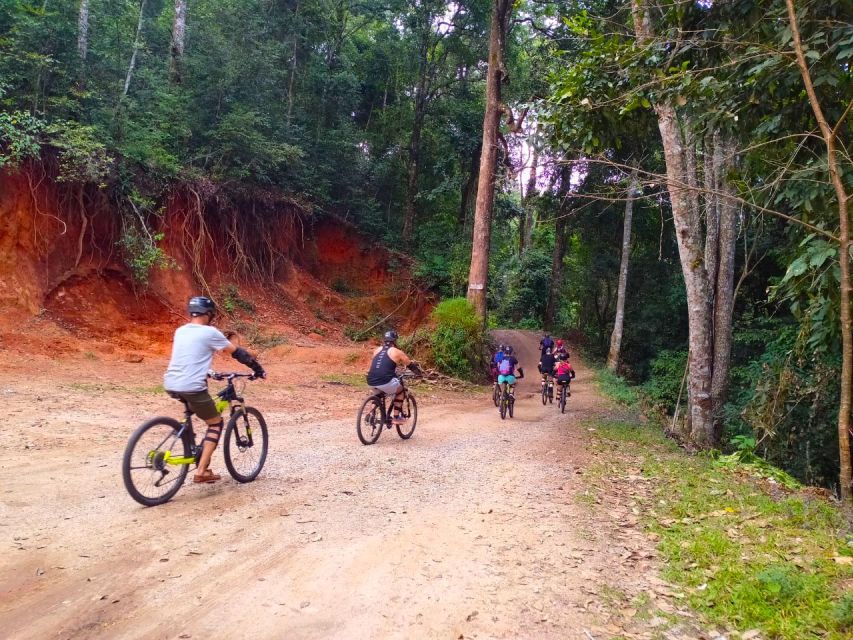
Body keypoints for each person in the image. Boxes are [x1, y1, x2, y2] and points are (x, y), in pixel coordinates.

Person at [164, 296, 266, 484]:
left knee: (198, 411)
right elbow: (238, 353)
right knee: (215, 423)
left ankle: (195, 450)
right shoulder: (210, 333)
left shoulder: (181, 331)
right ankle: (201, 471)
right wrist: (257, 369)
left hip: (171, 383)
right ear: (209, 314)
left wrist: (209, 371)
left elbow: (190, 357)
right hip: (192, 387)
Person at [366, 330, 419, 424]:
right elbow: (410, 364)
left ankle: (370, 413)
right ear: (394, 341)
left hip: (370, 380)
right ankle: (396, 417)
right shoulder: (397, 351)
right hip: (385, 380)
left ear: (384, 340)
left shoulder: (376, 350)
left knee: (378, 394)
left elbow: (378, 366)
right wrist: (419, 373)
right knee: (401, 391)